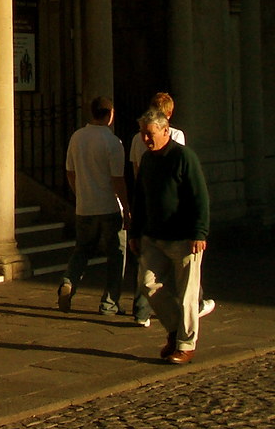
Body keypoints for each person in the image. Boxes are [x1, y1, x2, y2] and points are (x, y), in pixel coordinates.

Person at [129, 108, 210, 364]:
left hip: (184, 237)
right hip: (153, 236)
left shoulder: (184, 157)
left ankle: (185, 344)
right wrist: (135, 232)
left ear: (165, 131)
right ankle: (175, 330)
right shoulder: (148, 160)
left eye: (149, 134)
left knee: (187, 294)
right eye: (143, 134)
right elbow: (140, 200)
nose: (145, 139)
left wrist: (199, 232)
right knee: (148, 283)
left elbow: (200, 197)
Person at [57, 96, 129, 315]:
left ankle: (69, 281)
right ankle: (109, 302)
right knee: (117, 253)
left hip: (85, 206)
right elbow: (118, 178)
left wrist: (79, 192)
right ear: (110, 114)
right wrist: (126, 206)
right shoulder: (112, 142)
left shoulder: (77, 137)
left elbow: (70, 171)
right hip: (108, 205)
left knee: (82, 250)